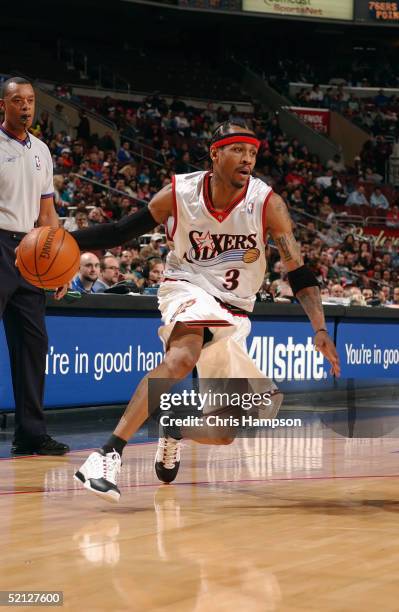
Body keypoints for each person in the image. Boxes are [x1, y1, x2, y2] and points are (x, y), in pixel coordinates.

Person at [71, 121, 340, 502]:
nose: (247, 159)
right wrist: (65, 240)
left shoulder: (267, 203)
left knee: (225, 431)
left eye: (252, 153)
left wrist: (320, 329)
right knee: (183, 356)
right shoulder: (180, 193)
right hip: (187, 286)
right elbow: (118, 232)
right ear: (215, 153)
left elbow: (298, 270)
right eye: (238, 151)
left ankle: (175, 428)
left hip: (235, 311)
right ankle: (107, 454)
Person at [0, 77, 69, 455]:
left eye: (30, 100)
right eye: (17, 100)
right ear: (3, 105)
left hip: (29, 250)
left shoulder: (42, 150)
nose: (25, 106)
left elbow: (47, 212)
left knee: (33, 343)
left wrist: (61, 265)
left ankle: (30, 432)